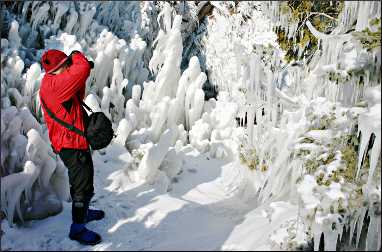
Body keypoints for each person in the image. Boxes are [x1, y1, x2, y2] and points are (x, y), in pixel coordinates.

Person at [39, 49, 103, 245]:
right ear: (59, 68)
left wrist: (76, 74)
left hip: (74, 141)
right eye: (66, 64)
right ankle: (77, 228)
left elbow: (77, 96)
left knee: (85, 179)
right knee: (81, 186)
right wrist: (76, 55)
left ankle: (83, 213)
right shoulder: (55, 86)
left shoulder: (55, 82)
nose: (69, 67)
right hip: (70, 145)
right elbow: (82, 67)